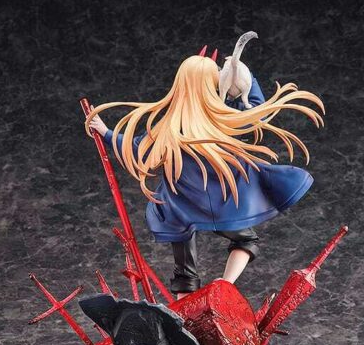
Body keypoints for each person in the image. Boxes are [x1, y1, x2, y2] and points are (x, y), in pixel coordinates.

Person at [86, 53, 324, 299]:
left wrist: (106, 133)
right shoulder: (223, 116)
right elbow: (257, 110)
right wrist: (244, 76)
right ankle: (225, 284)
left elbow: (137, 147)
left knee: (184, 265)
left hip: (182, 205)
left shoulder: (169, 125)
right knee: (246, 241)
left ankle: (185, 306)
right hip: (221, 200)